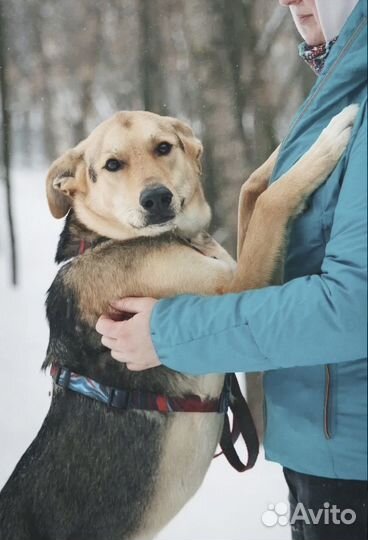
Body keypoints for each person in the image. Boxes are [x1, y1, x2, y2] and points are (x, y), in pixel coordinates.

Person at [96, 1, 367, 538]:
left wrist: (168, 332)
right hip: (324, 448)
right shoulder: (340, 88)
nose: (292, 0)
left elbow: (349, 308)